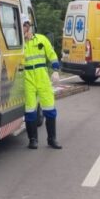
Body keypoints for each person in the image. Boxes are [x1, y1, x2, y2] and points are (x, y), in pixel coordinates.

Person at [22, 15, 62, 149]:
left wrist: (55, 70)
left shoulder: (41, 39)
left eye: (25, 25)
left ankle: (52, 139)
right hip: (27, 78)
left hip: (42, 77)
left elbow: (52, 54)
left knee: (49, 108)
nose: (23, 29)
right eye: (21, 26)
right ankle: (32, 140)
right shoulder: (18, 43)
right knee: (30, 110)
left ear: (29, 26)